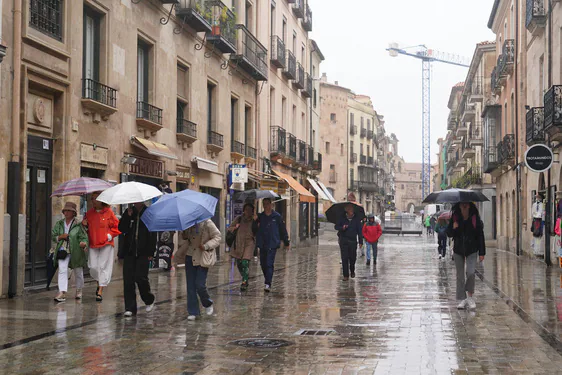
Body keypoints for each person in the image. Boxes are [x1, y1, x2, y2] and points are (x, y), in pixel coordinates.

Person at [118, 202, 157, 317]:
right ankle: (130, 308)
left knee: (141, 277)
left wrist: (151, 251)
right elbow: (121, 228)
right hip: (129, 251)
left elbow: (153, 233)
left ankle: (148, 299)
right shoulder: (129, 212)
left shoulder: (149, 213)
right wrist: (127, 216)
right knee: (128, 280)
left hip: (143, 252)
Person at [83, 191, 121, 302]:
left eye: (95, 198)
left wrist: (110, 235)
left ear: (101, 200)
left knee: (103, 266)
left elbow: (117, 227)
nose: (93, 201)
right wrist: (84, 224)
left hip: (106, 244)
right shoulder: (89, 214)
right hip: (93, 243)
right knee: (93, 266)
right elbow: (85, 229)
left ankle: (100, 290)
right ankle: (99, 283)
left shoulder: (109, 213)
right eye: (92, 199)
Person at [447, 202, 486, 310]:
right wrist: (453, 228)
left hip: (472, 249)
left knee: (471, 272)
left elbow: (480, 235)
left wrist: (482, 252)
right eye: (462, 204)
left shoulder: (474, 218)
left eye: (466, 204)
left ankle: (470, 297)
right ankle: (461, 299)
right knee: (460, 275)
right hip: (458, 250)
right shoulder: (455, 217)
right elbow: (448, 233)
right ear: (459, 206)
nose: (464, 206)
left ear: (470, 206)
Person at [181, 219, 221, 321]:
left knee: (200, 284)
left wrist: (206, 246)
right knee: (190, 286)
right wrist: (184, 232)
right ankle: (193, 311)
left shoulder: (207, 222)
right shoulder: (188, 222)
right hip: (190, 256)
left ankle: (207, 303)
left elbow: (218, 237)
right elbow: (185, 238)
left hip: (202, 257)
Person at [52, 202, 88, 302]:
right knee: (62, 269)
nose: (66, 212)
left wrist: (83, 243)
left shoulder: (78, 225)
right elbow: (53, 236)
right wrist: (60, 237)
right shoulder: (59, 224)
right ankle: (62, 292)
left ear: (73, 213)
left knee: (78, 271)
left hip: (76, 251)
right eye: (65, 210)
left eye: (68, 211)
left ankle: (79, 289)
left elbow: (84, 237)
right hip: (63, 250)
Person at [255, 198, 290, 292]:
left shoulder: (277, 216)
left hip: (272, 243)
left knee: (269, 263)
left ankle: (267, 283)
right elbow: (254, 229)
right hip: (262, 243)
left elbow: (282, 229)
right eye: (264, 204)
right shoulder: (260, 217)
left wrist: (286, 242)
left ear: (271, 205)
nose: (266, 206)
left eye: (267, 204)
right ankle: (267, 279)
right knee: (263, 264)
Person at [228, 203, 259, 291]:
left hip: (249, 243)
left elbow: (257, 231)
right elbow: (229, 228)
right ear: (244, 211)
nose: (248, 212)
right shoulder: (239, 219)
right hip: (238, 242)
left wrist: (256, 221)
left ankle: (244, 281)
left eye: (250, 210)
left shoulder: (254, 220)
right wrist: (235, 227)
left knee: (245, 262)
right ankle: (245, 277)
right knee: (239, 263)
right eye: (246, 210)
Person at [335, 204, 364, 280]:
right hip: (343, 240)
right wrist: (342, 227)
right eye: (350, 210)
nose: (351, 211)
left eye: (352, 210)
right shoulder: (342, 218)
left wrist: (361, 241)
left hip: (353, 241)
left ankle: (352, 270)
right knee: (344, 258)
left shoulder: (356, 219)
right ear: (347, 211)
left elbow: (359, 231)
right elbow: (336, 227)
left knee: (352, 258)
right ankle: (346, 275)